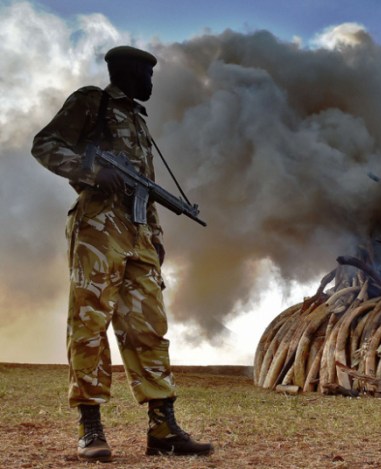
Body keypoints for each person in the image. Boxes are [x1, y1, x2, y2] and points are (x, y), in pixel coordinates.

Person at [31, 45, 213, 462]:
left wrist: (156, 234)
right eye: (146, 75)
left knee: (150, 328)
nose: (151, 83)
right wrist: (93, 171)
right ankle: (90, 428)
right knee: (89, 324)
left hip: (138, 234)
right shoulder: (91, 101)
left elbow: (144, 188)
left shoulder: (138, 121)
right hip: (97, 227)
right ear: (127, 72)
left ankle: (163, 429)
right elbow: (45, 145)